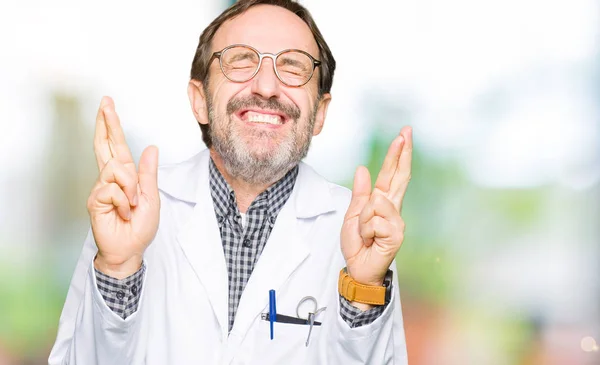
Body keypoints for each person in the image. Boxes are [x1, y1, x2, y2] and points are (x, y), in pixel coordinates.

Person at [49, 0, 412, 364]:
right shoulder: (128, 214)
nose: (267, 86)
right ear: (200, 101)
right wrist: (117, 268)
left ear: (320, 112)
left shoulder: (358, 231)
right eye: (240, 61)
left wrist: (362, 291)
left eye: (293, 66)